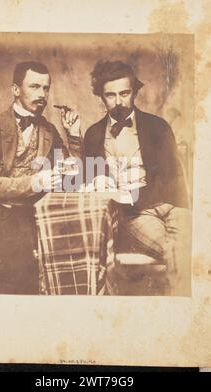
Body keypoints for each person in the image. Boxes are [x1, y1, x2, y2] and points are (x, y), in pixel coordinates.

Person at [0, 61, 82, 294]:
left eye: (46, 88)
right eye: (35, 87)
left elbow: (73, 177)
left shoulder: (49, 130)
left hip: (30, 215)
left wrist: (74, 136)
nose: (42, 94)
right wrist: (35, 182)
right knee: (27, 268)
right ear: (16, 90)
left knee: (72, 256)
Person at [84, 60, 191, 295]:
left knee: (193, 244)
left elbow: (172, 177)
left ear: (135, 92)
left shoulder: (158, 126)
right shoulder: (93, 135)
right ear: (101, 97)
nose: (119, 101)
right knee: (172, 250)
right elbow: (93, 181)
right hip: (134, 214)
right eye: (110, 95)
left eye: (124, 93)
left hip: (169, 205)